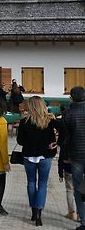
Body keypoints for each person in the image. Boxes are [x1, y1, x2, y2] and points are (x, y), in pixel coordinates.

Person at [17, 96, 57, 226]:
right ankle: (39, 211)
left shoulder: (24, 122)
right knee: (43, 184)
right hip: (45, 156)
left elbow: (20, 141)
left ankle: (33, 210)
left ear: (30, 106)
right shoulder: (49, 121)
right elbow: (53, 138)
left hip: (29, 156)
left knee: (31, 182)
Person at [64, 86, 85, 230]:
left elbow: (66, 138)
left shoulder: (68, 113)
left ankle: (83, 220)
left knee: (78, 188)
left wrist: (66, 156)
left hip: (76, 154)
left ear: (71, 97)